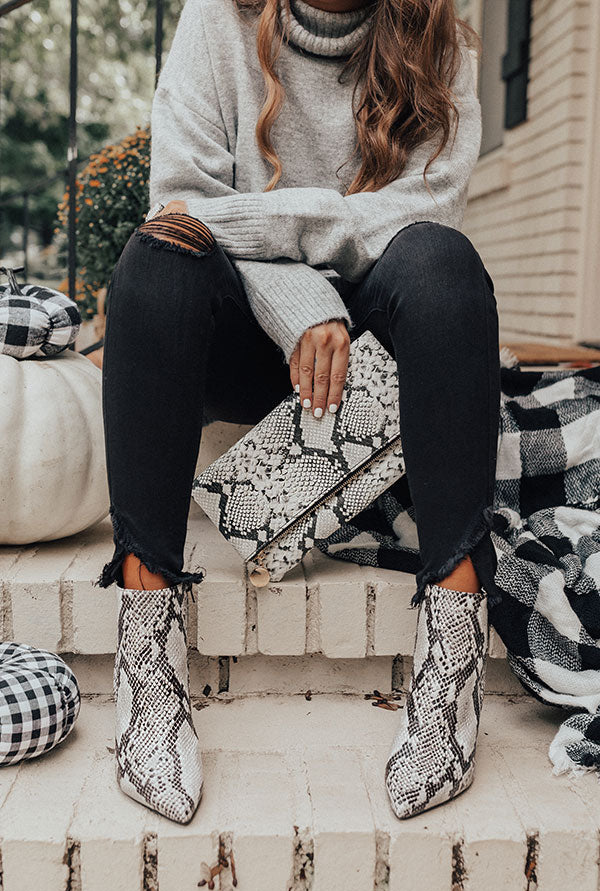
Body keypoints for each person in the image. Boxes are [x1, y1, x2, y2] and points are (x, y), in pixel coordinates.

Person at [95, 0, 500, 826]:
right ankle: (145, 649)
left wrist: (279, 242)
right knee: (156, 258)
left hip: (378, 348)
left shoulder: (437, 34)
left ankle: (454, 639)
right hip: (247, 339)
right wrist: (302, 299)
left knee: (444, 262)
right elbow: (180, 204)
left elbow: (427, 212)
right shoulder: (218, 21)